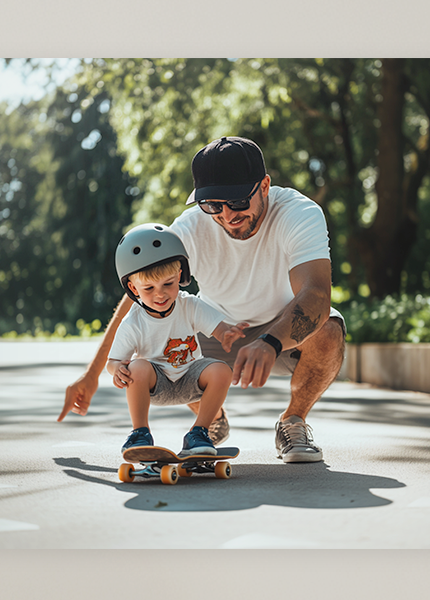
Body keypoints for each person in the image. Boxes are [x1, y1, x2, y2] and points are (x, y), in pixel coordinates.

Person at [58, 135, 340, 463]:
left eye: (237, 201)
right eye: (213, 206)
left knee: (329, 331)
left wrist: (270, 341)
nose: (226, 215)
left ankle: (293, 421)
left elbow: (316, 294)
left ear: (264, 186)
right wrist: (93, 374)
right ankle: (210, 422)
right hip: (215, 330)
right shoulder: (190, 228)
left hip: (282, 331)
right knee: (159, 334)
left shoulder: (298, 213)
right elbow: (139, 300)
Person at [105, 224, 238, 458]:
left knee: (221, 370)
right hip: (157, 384)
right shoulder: (133, 321)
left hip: (191, 378)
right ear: (133, 288)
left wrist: (227, 334)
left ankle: (199, 433)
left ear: (180, 275)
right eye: (148, 288)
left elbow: (218, 327)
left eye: (168, 283)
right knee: (137, 366)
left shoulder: (190, 305)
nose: (160, 294)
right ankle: (140, 433)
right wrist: (117, 370)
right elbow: (113, 360)